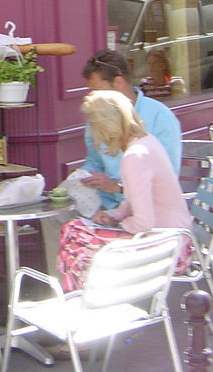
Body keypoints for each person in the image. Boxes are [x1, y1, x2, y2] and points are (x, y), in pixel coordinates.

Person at [56, 90, 193, 295]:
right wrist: (116, 215)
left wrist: (120, 224)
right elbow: (141, 196)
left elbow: (143, 223)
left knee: (74, 235)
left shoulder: (133, 157)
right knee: (75, 230)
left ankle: (84, 301)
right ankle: (83, 298)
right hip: (177, 237)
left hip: (163, 245)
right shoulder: (147, 142)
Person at [80, 49, 182, 210]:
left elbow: (166, 181)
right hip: (106, 206)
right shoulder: (97, 115)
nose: (94, 97)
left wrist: (117, 187)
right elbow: (95, 160)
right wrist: (81, 178)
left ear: (118, 82)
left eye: (98, 91)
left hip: (149, 210)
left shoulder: (160, 116)